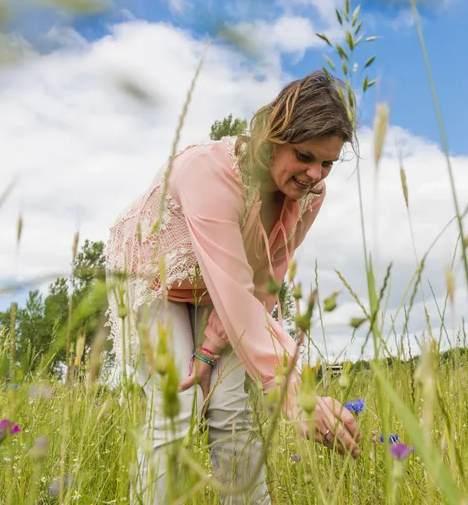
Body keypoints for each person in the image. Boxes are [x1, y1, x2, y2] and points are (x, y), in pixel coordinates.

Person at [104, 70, 362, 504]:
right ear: (271, 137)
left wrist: (208, 350)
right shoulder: (210, 172)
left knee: (230, 409)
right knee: (175, 408)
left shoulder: (310, 194)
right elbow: (234, 288)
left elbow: (262, 282)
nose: (314, 174)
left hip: (219, 286)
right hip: (152, 277)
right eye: (304, 156)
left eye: (327, 163)